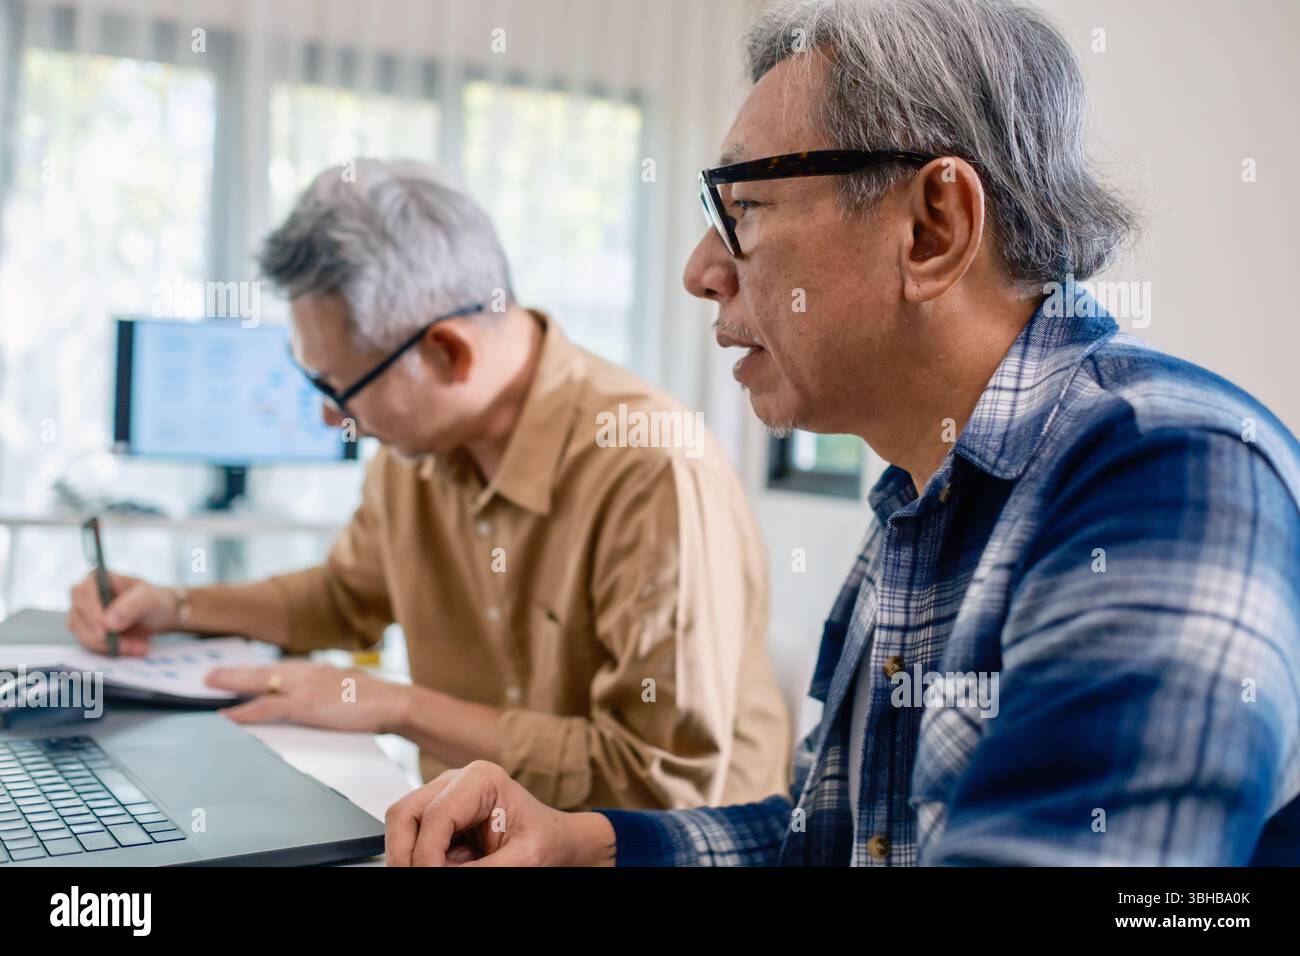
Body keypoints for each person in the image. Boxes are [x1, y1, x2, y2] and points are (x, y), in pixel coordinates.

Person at [383, 0, 1300, 866]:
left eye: (741, 208)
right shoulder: (924, 491)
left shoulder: (1172, 475)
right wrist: (593, 843)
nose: (703, 270)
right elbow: (842, 836)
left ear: (933, 227)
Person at [67, 158, 791, 813]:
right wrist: (177, 605)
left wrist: (395, 706)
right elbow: (345, 596)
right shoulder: (416, 454)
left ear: (446, 352)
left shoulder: (649, 468)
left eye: (340, 387)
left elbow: (659, 776)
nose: (328, 414)